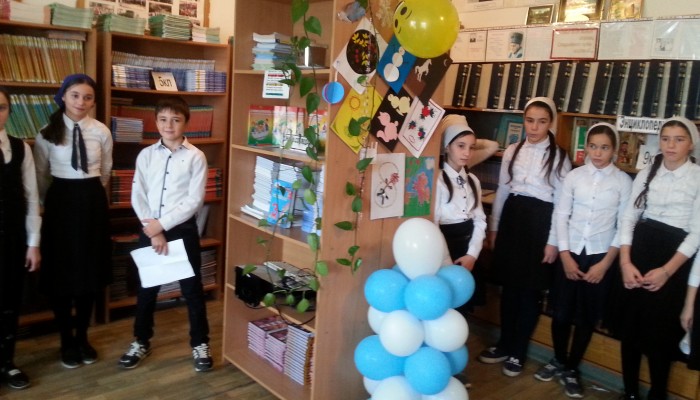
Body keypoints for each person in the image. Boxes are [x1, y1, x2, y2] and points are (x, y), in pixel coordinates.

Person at [533, 123, 632, 398]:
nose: (597, 153)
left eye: (604, 147)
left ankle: (572, 368)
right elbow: (561, 215)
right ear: (586, 147)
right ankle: (558, 359)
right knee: (561, 313)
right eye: (593, 146)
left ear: (614, 150)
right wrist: (564, 255)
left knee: (587, 316)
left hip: (600, 256)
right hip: (571, 252)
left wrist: (605, 264)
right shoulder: (574, 177)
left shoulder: (623, 182)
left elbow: (624, 225)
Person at [478, 97, 571, 377]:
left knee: (530, 291)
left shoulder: (560, 157)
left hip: (540, 223)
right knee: (509, 288)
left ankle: (518, 351)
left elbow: (561, 204)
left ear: (550, 123)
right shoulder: (513, 150)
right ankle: (505, 343)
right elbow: (503, 191)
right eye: (529, 120)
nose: (534, 127)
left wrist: (553, 241)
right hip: (513, 219)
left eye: (541, 121)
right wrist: (494, 228)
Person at [118, 96, 212, 372]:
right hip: (150, 228)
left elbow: (194, 201)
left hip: (182, 229)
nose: (169, 125)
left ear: (186, 123)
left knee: (192, 290)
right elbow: (138, 194)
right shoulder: (146, 155)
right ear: (156, 122)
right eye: (163, 119)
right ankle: (141, 341)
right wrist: (153, 229)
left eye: (176, 119)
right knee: (147, 289)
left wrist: (162, 225)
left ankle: (200, 343)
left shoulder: (196, 156)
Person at [33, 74, 113, 369]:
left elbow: (105, 170)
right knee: (62, 275)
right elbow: (41, 174)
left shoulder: (101, 131)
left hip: (92, 202)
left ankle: (82, 337)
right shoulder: (46, 132)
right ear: (63, 97)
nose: (81, 102)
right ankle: (66, 340)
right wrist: (54, 202)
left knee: (89, 272)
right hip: (60, 204)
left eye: (88, 97)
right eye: (75, 95)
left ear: (93, 101)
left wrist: (88, 194)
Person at [619, 117, 700, 400]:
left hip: (674, 260)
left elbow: (697, 234)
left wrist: (666, 271)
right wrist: (625, 262)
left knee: (660, 335)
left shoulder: (697, 177)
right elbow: (629, 217)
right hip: (639, 253)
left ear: (691, 144)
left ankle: (658, 394)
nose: (670, 145)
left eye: (679, 139)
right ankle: (629, 392)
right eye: (665, 138)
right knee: (630, 329)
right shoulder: (647, 172)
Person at [0, 87, 41, 390]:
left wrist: (33, 243)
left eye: (1, 107)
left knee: (9, 302)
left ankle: (7, 362)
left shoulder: (20, 148)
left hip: (12, 240)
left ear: (9, 112)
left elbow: (31, 198)